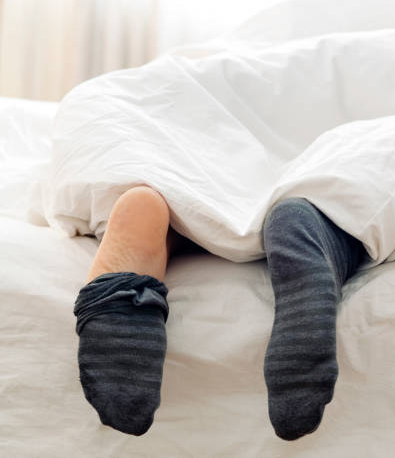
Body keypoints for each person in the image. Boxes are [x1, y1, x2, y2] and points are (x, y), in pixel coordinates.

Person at [73, 185, 366, 440]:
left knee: (179, 198)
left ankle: (134, 269)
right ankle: (311, 229)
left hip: (196, 173)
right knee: (335, 203)